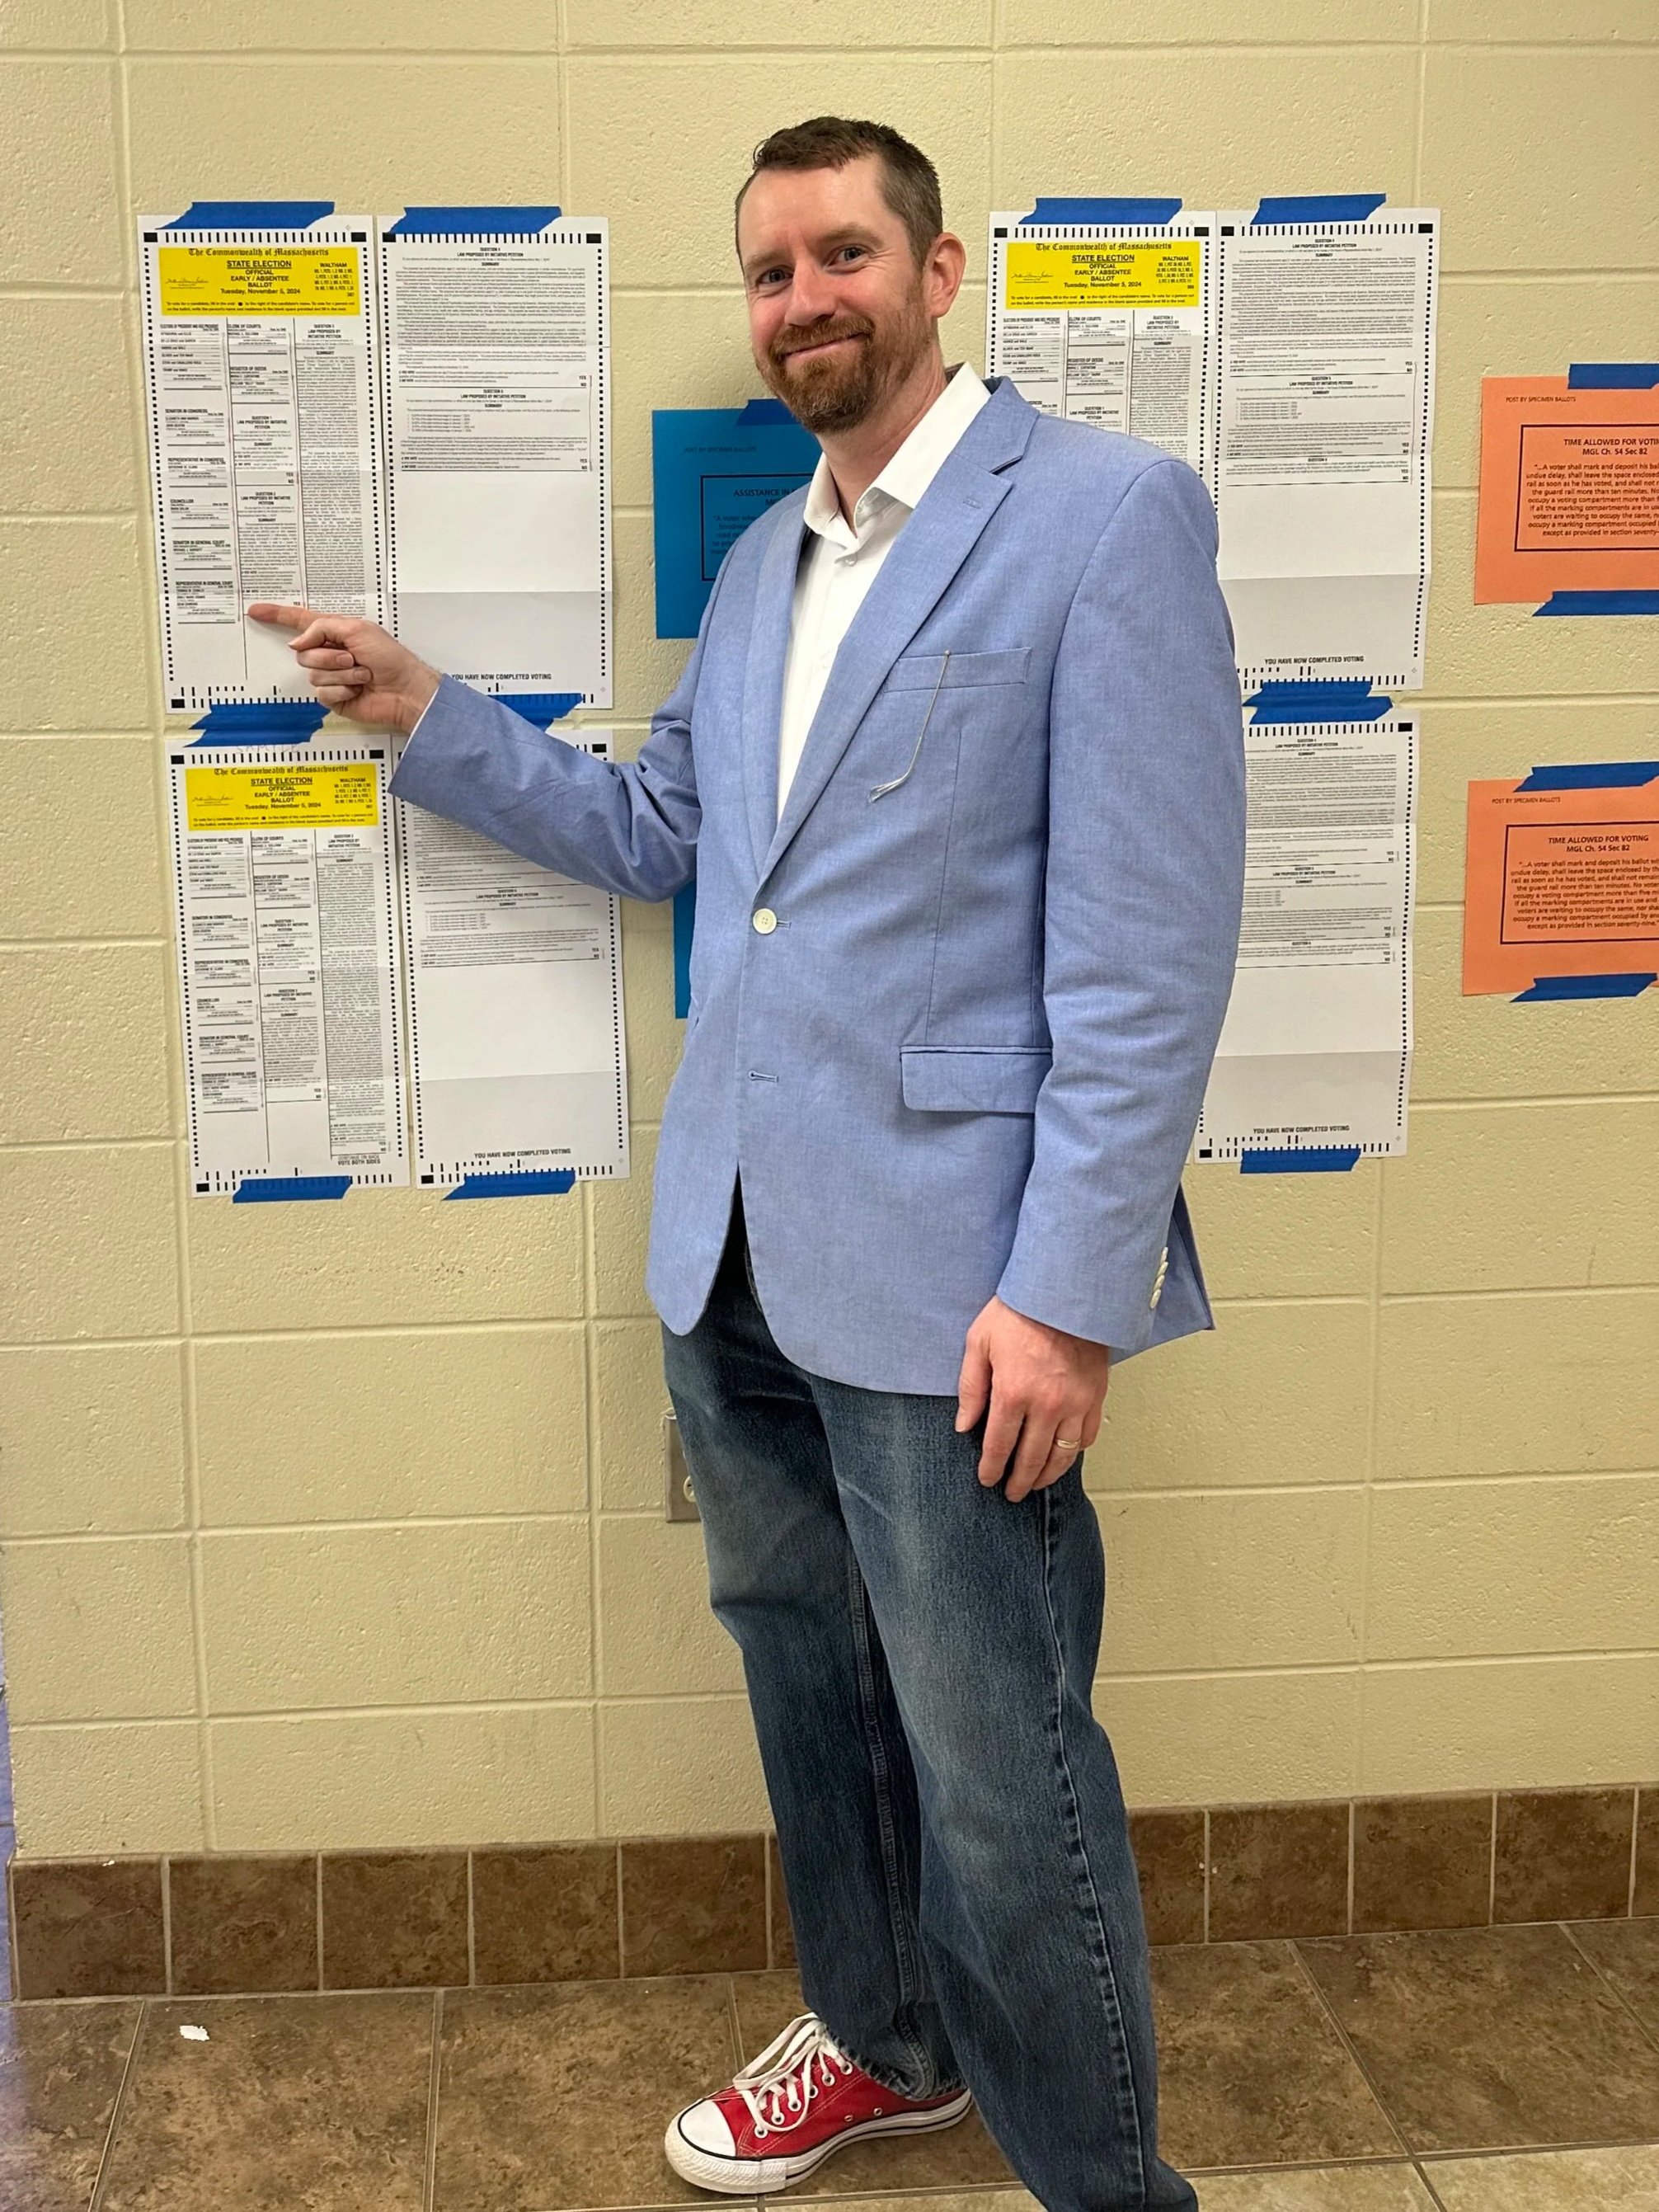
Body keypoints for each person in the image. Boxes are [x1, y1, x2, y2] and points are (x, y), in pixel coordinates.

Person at [252, 115, 1243, 2212]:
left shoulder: (1102, 518)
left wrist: (1068, 1293)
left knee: (1003, 1773)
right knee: (811, 1693)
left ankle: (1103, 2181)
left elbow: (1150, 960)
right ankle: (885, 2046)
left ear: (940, 267)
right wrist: (434, 714)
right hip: (738, 1257)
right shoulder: (765, 564)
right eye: (772, 272)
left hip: (966, 1290)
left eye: (841, 256)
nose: (804, 301)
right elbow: (680, 843)